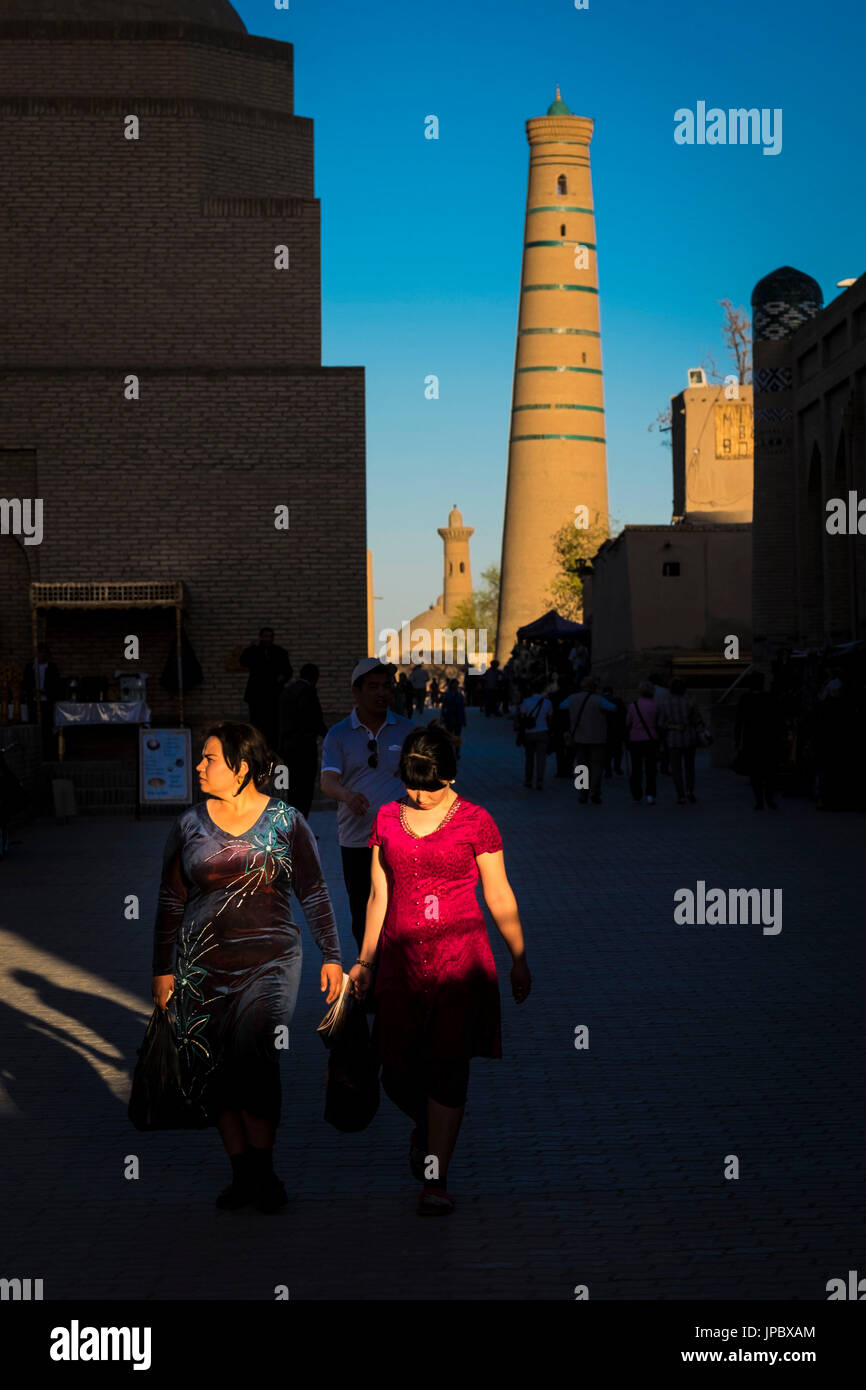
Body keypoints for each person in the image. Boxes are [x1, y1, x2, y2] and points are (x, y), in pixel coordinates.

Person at [150, 722, 342, 1212]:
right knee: (214, 1068)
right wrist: (163, 970)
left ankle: (264, 1171)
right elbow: (171, 900)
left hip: (272, 961)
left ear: (239, 767)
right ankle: (243, 1176)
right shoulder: (189, 824)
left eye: (209, 758)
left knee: (257, 1059)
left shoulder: (286, 820)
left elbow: (314, 890)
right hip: (202, 964)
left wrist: (333, 955)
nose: (198, 766)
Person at [349, 724, 531, 1216]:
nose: (419, 794)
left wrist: (518, 956)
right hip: (400, 961)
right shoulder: (387, 818)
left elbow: (498, 893)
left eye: (429, 785)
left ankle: (436, 1177)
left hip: (461, 963)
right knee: (395, 1071)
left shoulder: (476, 821)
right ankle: (429, 1127)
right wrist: (365, 960)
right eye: (411, 783)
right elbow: (379, 893)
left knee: (449, 1069)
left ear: (450, 775)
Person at [320, 659, 413, 951]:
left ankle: (398, 977)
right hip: (357, 840)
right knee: (362, 912)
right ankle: (368, 975)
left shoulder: (408, 730)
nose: (381, 693)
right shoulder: (338, 734)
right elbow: (328, 781)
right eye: (373, 686)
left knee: (402, 911)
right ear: (356, 692)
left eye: (387, 686)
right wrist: (348, 796)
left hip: (402, 838)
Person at [278, 663, 328, 820]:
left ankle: (292, 824)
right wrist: (329, 736)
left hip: (288, 748)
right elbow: (315, 720)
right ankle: (301, 824)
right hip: (305, 748)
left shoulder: (287, 691)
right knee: (305, 789)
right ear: (315, 678)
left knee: (292, 788)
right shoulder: (308, 692)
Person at [735, 673, 785, 810]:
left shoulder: (745, 699)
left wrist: (737, 742)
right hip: (769, 740)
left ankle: (759, 801)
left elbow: (739, 722)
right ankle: (769, 799)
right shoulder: (771, 699)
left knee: (755, 773)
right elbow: (778, 721)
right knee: (769, 771)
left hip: (751, 740)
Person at [239, 627, 292, 750]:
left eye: (270, 637)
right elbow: (243, 661)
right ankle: (258, 748)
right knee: (257, 726)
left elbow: (288, 671)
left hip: (274, 696)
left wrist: (281, 678)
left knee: (273, 727)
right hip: (257, 697)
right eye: (265, 636)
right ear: (261, 637)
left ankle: (272, 750)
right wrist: (251, 647)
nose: (267, 639)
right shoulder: (255, 651)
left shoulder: (279, 652)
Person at [658, 677, 706, 805]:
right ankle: (690, 791)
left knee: (676, 769)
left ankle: (680, 795)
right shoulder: (690, 702)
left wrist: (672, 727)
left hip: (673, 739)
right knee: (690, 767)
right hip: (689, 738)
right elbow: (698, 721)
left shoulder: (664, 704)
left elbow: (661, 724)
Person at [569, 677, 616, 805]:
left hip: (579, 737)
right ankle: (594, 792)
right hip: (597, 738)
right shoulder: (599, 700)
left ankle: (582, 794)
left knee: (581, 766)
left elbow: (562, 706)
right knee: (596, 766)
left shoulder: (572, 698)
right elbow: (613, 708)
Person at [22, 643, 63, 758]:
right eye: (39, 653)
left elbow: (56, 685)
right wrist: (33, 691)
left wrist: (45, 691)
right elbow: (25, 684)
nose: (41, 655)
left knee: (46, 728)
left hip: (47, 702)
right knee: (34, 727)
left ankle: (48, 754)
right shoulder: (30, 667)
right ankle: (33, 753)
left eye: (44, 653)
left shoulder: (52, 668)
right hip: (33, 702)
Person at [625, 681, 660, 804]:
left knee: (636, 768)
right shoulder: (655, 706)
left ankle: (636, 793)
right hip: (651, 739)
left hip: (635, 739)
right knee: (651, 768)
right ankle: (650, 794)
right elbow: (657, 723)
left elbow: (628, 723)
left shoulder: (633, 706)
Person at [517, 677, 553, 790]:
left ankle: (528, 780)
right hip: (543, 732)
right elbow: (550, 718)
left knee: (529, 758)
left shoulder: (526, 702)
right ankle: (540, 781)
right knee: (541, 758)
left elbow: (521, 717)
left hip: (529, 733)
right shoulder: (547, 702)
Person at [649, 671, 671, 776]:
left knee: (652, 747)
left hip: (650, 724)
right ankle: (664, 768)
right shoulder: (665, 692)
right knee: (665, 747)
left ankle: (652, 768)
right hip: (663, 723)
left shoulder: (648, 692)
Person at [601, 685, 626, 777]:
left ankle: (608, 769)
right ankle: (617, 767)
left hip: (604, 729)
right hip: (617, 729)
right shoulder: (618, 700)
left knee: (606, 751)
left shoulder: (600, 701)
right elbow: (624, 714)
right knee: (618, 750)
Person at [439, 677, 467, 756]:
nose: (455, 686)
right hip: (449, 718)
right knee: (449, 736)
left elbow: (462, 708)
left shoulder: (460, 696)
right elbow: (443, 707)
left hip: (458, 718)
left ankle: (457, 751)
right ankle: (450, 751)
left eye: (456, 685)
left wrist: (464, 720)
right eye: (453, 685)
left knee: (457, 736)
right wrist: (442, 718)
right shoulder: (447, 695)